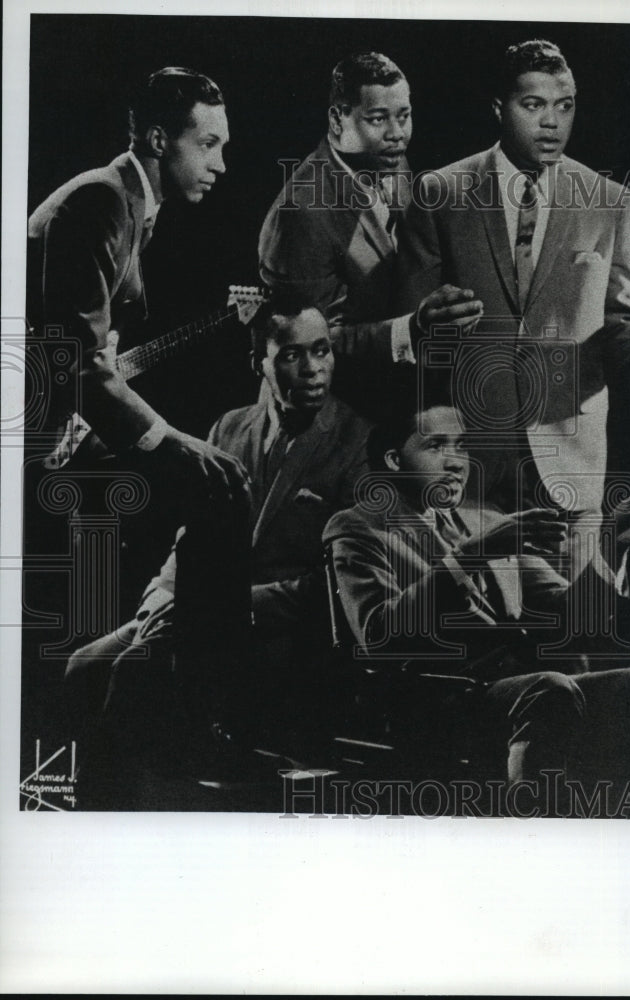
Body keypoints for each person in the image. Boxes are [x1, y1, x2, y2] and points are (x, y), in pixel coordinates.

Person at [322, 383, 630, 811]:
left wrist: (612, 544)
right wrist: (473, 555)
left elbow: (573, 620)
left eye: (462, 446)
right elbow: (378, 635)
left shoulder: (489, 521)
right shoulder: (358, 527)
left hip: (525, 691)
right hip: (432, 701)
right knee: (551, 688)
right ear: (394, 460)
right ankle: (534, 841)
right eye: (435, 447)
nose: (455, 462)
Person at [64, 297, 371, 805]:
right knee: (82, 667)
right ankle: (86, 818)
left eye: (322, 351)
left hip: (276, 635)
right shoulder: (229, 427)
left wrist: (211, 605)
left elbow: (339, 584)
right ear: (260, 364)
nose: (314, 368)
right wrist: (159, 598)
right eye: (293, 355)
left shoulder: (355, 440)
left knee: (136, 672)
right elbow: (192, 534)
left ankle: (119, 822)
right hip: (194, 613)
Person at [396, 39, 630, 524]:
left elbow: (626, 316)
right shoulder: (440, 193)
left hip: (571, 462)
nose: (552, 122)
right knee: (475, 600)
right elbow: (416, 329)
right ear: (500, 108)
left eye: (565, 107)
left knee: (576, 599)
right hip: (467, 463)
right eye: (534, 105)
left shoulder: (608, 201)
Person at [27, 66, 247, 499]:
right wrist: (170, 439)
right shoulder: (101, 201)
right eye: (207, 145)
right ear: (160, 140)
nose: (219, 165)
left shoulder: (134, 207)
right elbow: (77, 362)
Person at [258, 51, 482, 418]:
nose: (397, 135)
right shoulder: (300, 215)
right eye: (378, 119)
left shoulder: (386, 158)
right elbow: (313, 347)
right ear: (336, 120)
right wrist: (412, 329)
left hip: (398, 395)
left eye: (404, 117)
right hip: (334, 420)